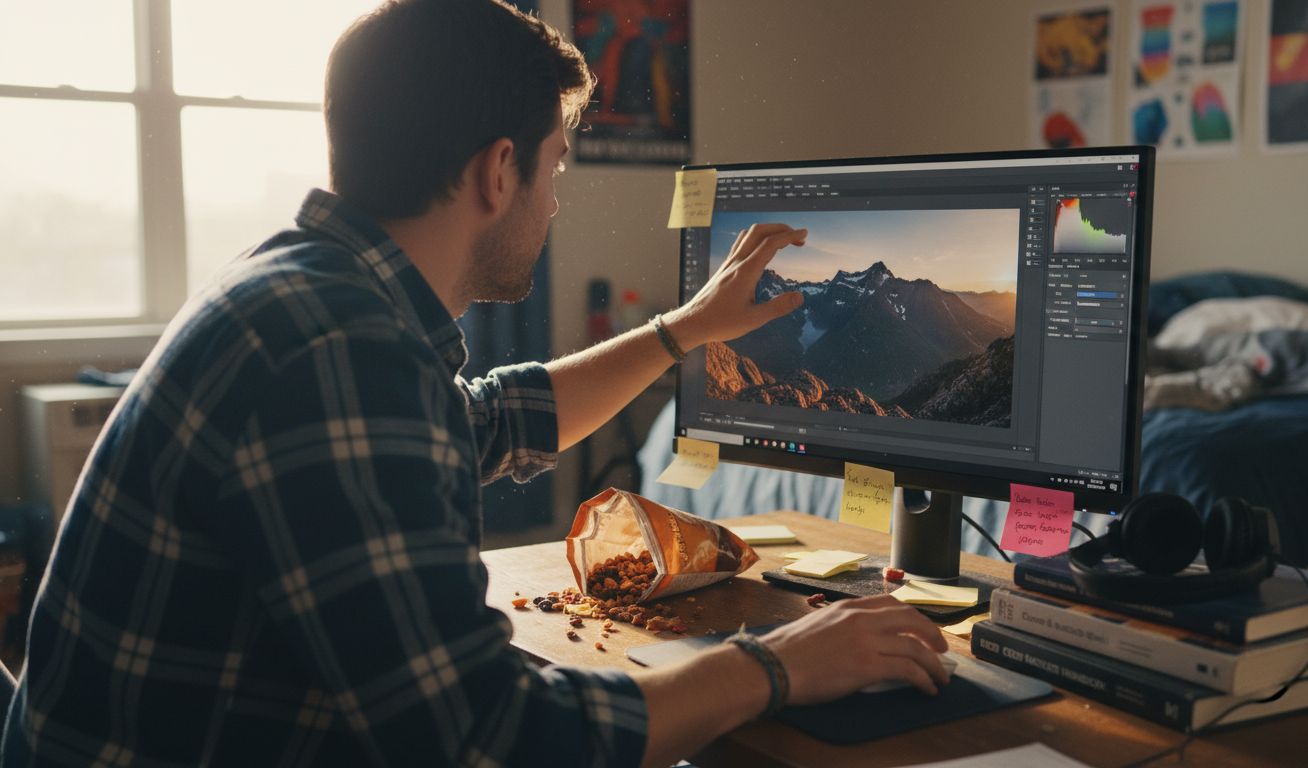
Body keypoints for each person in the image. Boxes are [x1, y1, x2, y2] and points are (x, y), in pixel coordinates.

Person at [0, 1, 949, 765]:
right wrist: (774, 664)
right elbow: (487, 739)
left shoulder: (308, 286)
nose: (555, 197)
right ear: (500, 171)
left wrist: (685, 330)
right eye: (556, 167)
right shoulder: (340, 352)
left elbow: (488, 422)